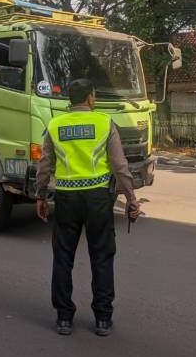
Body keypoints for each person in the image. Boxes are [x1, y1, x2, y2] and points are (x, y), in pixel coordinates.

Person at [35, 79, 142, 337]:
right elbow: (119, 165)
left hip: (66, 199)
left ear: (71, 100)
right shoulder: (104, 123)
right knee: (102, 257)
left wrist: (40, 195)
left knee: (63, 258)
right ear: (91, 98)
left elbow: (45, 165)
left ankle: (64, 318)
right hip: (98, 199)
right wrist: (131, 198)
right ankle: (103, 319)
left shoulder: (55, 125)